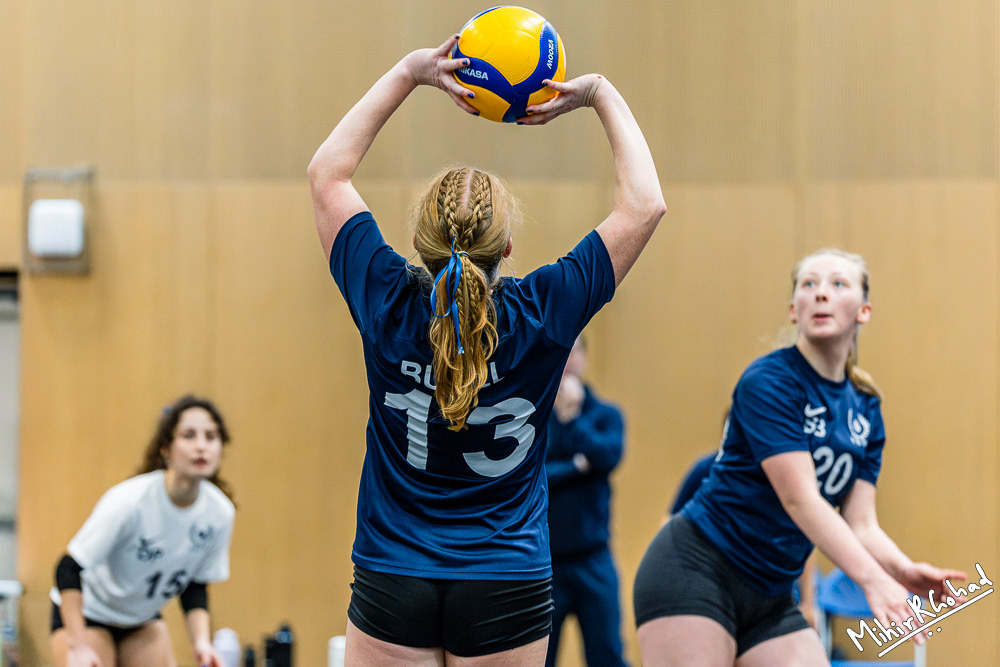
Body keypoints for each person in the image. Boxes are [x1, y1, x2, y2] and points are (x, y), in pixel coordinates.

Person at [308, 34, 665, 666]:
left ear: (419, 242)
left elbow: (327, 173)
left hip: (395, 571)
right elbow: (644, 205)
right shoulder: (542, 312)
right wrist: (597, 93)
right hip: (506, 577)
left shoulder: (387, 300)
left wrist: (411, 72)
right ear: (505, 250)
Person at [633, 250, 966, 667]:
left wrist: (902, 569)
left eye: (838, 284)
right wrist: (873, 580)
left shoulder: (864, 406)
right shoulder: (769, 381)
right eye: (809, 285)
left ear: (864, 310)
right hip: (697, 570)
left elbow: (860, 522)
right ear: (794, 309)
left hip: (770, 593)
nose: (821, 294)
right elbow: (801, 500)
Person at [50, 395, 236, 667]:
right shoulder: (129, 502)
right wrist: (76, 645)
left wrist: (201, 642)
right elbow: (67, 568)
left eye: (211, 437)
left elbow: (194, 586)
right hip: (89, 612)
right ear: (166, 448)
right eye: (188, 435)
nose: (201, 447)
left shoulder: (220, 513)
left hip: (140, 619)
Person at [545, 336, 629, 667]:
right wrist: (579, 465)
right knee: (538, 658)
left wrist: (571, 419)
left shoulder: (605, 414)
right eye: (561, 351)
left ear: (585, 358)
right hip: (546, 564)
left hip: (594, 558)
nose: (567, 359)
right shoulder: (534, 417)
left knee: (607, 654)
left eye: (574, 350)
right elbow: (533, 476)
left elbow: (608, 455)